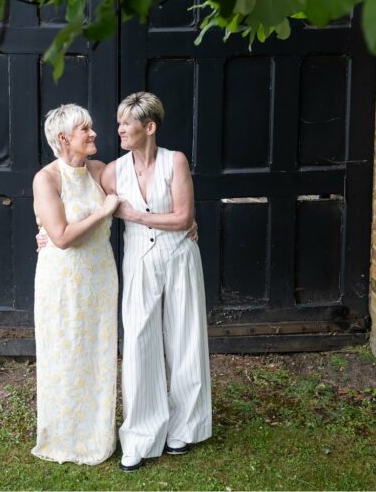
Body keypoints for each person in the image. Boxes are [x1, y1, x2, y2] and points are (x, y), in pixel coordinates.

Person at [104, 91, 212, 472]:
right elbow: (81, 202)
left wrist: (134, 215)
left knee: (185, 336)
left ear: (149, 127)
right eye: (118, 122)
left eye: (126, 123)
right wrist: (47, 230)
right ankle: (140, 435)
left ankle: (184, 426)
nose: (118, 129)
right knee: (138, 342)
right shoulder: (112, 171)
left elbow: (183, 218)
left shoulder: (174, 162)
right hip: (139, 260)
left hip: (180, 255)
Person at [30, 104, 119, 465]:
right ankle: (63, 437)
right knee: (63, 354)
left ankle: (98, 436)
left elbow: (144, 186)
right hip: (62, 281)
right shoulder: (46, 178)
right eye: (86, 129)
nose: (94, 133)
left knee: (97, 353)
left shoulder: (100, 170)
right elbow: (62, 237)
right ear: (64, 138)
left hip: (99, 277)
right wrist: (102, 212)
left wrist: (182, 221)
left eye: (92, 127)